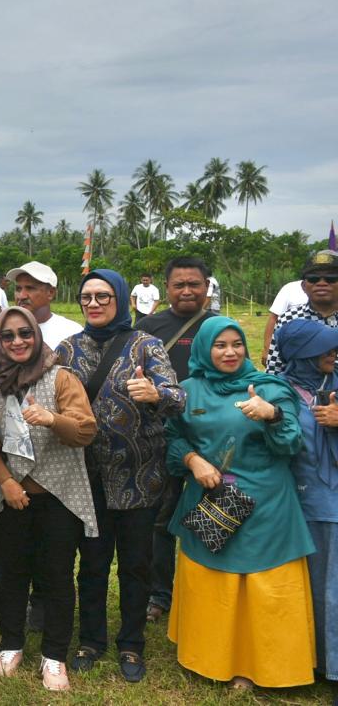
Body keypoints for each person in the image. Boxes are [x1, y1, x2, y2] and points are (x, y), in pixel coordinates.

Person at [165, 316, 314, 690]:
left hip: (267, 505)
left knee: (265, 584)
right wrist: (192, 460)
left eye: (237, 344)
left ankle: (261, 665)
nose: (230, 352)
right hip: (212, 501)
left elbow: (291, 444)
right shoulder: (188, 391)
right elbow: (170, 437)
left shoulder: (268, 387)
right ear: (204, 349)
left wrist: (272, 415)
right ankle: (209, 657)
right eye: (220, 345)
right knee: (214, 580)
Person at [56, 269, 183, 683]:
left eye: (103, 296)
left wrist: (157, 394)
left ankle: (131, 643)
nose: (93, 304)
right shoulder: (67, 349)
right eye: (87, 297)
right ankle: (91, 640)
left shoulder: (145, 345)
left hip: (139, 475)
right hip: (86, 476)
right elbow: (39, 389)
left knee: (135, 565)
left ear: (123, 299)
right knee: (91, 564)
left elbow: (178, 398)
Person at [0, 306, 97, 691]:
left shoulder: (61, 377)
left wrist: (52, 419)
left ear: (37, 335)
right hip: (11, 495)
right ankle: (11, 644)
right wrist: (5, 483)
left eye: (25, 333)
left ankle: (55, 655)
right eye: (7, 336)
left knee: (56, 576)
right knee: (12, 575)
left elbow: (85, 430)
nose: (17, 342)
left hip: (59, 495)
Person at [0, 261, 81, 626]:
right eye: (19, 287)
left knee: (50, 545)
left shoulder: (70, 331)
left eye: (32, 287)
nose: (23, 294)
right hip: (6, 455)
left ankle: (41, 604)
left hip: (53, 455)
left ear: (51, 292)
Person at [136, 256, 216, 624]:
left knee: (213, 513)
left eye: (194, 284)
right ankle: (159, 594)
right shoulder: (150, 326)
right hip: (162, 434)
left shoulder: (218, 326)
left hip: (211, 435)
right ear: (165, 288)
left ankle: (207, 592)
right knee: (161, 520)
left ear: (207, 286)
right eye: (179, 284)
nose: (187, 291)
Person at [277, 320, 338, 684]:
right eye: (324, 348)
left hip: (330, 504)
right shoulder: (278, 390)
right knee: (303, 590)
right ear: (301, 353)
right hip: (293, 502)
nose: (333, 354)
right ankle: (307, 664)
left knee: (332, 590)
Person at [266, 250, 338, 374]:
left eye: (331, 278)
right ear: (304, 286)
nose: (322, 283)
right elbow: (275, 369)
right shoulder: (288, 318)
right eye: (313, 279)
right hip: (297, 391)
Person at [263, 279, 309, 366]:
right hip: (290, 353)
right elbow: (274, 318)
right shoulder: (290, 288)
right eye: (314, 278)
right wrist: (267, 349)